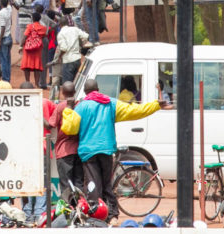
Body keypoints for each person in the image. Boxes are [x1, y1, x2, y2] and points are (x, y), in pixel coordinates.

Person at [61, 77, 168, 220]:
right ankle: (112, 212)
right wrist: (155, 105)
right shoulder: (110, 104)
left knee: (93, 183)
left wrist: (68, 110)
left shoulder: (81, 106)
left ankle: (96, 213)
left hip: (88, 151)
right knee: (107, 183)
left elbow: (69, 129)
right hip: (107, 149)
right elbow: (135, 110)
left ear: (86, 92)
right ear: (98, 89)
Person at [49, 82, 83, 202]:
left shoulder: (61, 107)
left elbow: (50, 124)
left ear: (62, 93)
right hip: (79, 150)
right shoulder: (81, 106)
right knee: (79, 183)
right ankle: (80, 210)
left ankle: (70, 212)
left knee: (66, 185)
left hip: (64, 151)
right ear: (74, 92)